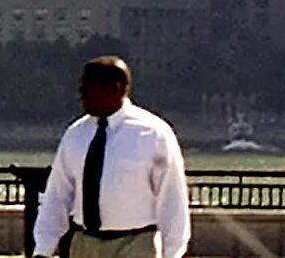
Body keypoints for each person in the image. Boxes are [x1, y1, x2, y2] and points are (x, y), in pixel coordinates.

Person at [32, 56, 189, 258]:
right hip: (84, 243)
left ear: (115, 88)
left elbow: (172, 198)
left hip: (136, 243)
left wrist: (173, 253)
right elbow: (58, 195)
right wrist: (43, 249)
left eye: (88, 87)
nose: (81, 95)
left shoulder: (153, 133)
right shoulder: (76, 134)